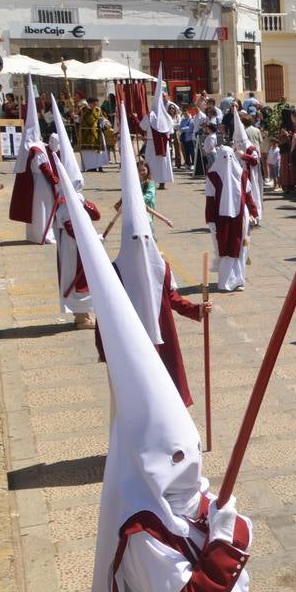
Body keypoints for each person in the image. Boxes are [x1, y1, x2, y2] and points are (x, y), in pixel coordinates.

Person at [54, 161, 255, 592]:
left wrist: (196, 312)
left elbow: (170, 298)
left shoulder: (177, 502)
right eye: (180, 461)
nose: (194, 473)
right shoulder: (141, 534)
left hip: (157, 370)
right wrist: (228, 542)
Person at [97, 103, 208, 406]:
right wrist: (104, 349)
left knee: (164, 387)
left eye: (144, 240)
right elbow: (105, 314)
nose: (141, 244)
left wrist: (198, 310)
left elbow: (173, 299)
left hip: (162, 337)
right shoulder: (115, 272)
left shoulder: (161, 267)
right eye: (136, 240)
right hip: (130, 343)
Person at [50, 104, 100, 330]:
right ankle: (81, 317)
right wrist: (91, 239)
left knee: (86, 278)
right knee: (76, 278)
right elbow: (72, 229)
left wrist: (85, 203)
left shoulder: (77, 199)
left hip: (81, 246)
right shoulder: (63, 204)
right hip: (72, 249)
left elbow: (96, 215)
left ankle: (86, 314)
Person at [205, 129, 258, 293]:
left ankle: (238, 280)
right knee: (225, 248)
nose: (227, 161)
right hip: (221, 219)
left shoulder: (241, 174)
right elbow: (210, 199)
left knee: (241, 248)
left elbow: (248, 195)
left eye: (229, 157)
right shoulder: (212, 176)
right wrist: (210, 220)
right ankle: (225, 282)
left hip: (241, 217)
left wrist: (254, 213)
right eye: (224, 157)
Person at [9, 82, 58, 244]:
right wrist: (55, 180)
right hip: (42, 182)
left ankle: (34, 235)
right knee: (44, 208)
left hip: (34, 183)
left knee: (35, 210)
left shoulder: (29, 147)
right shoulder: (36, 148)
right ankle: (45, 234)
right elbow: (44, 166)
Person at [140, 78, 175, 187]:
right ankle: (162, 181)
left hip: (152, 143)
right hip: (163, 144)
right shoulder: (167, 116)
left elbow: (142, 126)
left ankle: (151, 180)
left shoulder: (150, 115)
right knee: (161, 163)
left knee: (151, 163)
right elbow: (171, 130)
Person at [78, 97, 109, 171]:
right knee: (88, 153)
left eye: (96, 103)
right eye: (94, 103)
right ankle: (90, 167)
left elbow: (102, 119)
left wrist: (106, 122)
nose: (95, 105)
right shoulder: (82, 110)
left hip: (96, 133)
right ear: (89, 103)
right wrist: (74, 117)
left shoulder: (98, 110)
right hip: (85, 134)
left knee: (98, 152)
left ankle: (99, 166)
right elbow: (78, 119)